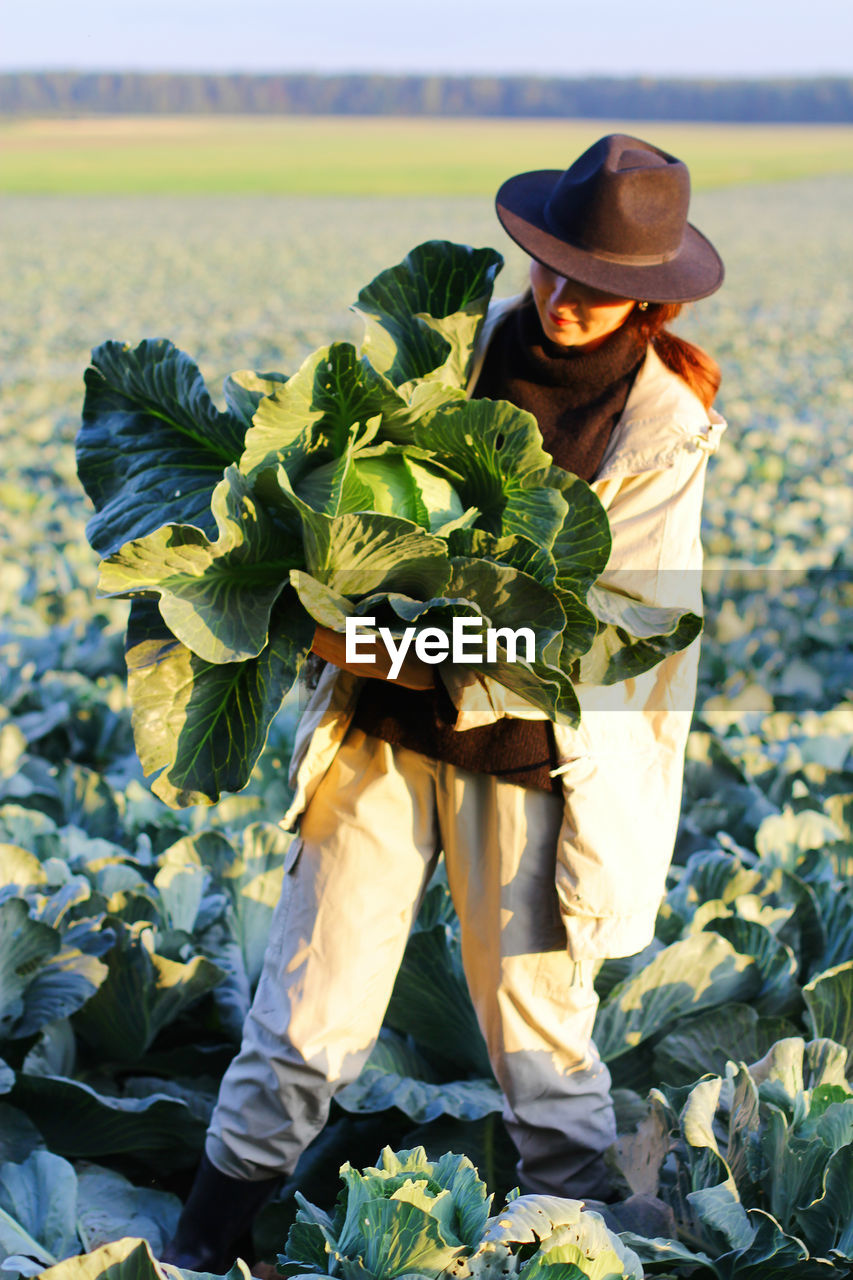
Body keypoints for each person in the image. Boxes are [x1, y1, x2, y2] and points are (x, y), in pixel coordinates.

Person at [162, 133, 726, 1270]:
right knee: (304, 1014)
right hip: (378, 736)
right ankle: (200, 1245)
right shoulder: (446, 350)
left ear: (647, 298)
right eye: (553, 267)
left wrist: (375, 643)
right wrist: (305, 591)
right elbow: (329, 487)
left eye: (601, 283)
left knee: (540, 1042)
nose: (565, 298)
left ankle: (574, 1247)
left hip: (529, 754)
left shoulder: (664, 429)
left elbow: (600, 626)